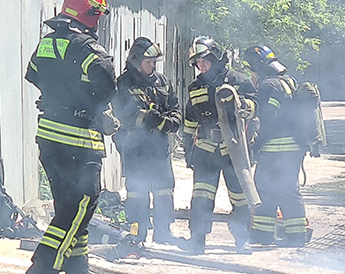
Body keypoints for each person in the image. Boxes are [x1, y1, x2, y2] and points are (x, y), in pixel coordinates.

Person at [24, 0, 117, 274]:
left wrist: (58, 96)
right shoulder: (89, 48)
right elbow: (107, 87)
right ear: (89, 15)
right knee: (81, 202)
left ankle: (77, 268)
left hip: (49, 136)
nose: (99, 22)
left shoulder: (47, 42)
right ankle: (45, 263)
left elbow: (34, 73)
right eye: (97, 15)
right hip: (79, 138)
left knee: (68, 202)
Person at [180, 36, 256, 254]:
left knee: (239, 197)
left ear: (215, 56)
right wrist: (188, 150)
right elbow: (189, 121)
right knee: (201, 196)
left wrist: (244, 106)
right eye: (197, 63)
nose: (200, 66)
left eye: (204, 60)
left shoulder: (238, 81)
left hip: (233, 149)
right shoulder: (195, 87)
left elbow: (255, 106)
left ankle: (242, 240)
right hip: (205, 150)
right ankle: (197, 240)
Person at [113, 37, 181, 244]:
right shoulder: (123, 84)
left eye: (154, 62)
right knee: (137, 192)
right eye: (148, 62)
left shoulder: (162, 82)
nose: (152, 66)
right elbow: (123, 114)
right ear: (136, 61)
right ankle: (137, 232)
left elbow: (175, 109)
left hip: (159, 149)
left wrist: (169, 123)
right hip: (135, 149)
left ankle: (163, 232)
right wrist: (147, 118)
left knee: (164, 190)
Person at [243, 45, 308, 247]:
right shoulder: (288, 81)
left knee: (266, 188)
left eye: (251, 70)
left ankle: (265, 235)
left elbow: (268, 118)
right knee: (287, 189)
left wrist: (257, 143)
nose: (252, 75)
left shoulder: (268, 86)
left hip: (277, 148)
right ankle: (294, 234)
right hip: (293, 147)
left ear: (258, 67)